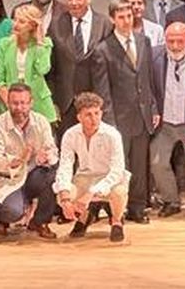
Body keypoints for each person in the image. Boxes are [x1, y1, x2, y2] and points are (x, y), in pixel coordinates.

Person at [96, 0, 157, 223]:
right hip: (118, 118)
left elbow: (148, 79)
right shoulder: (103, 49)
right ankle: (117, 210)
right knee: (120, 167)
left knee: (140, 165)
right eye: (121, 17)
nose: (126, 21)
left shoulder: (143, 41)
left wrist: (153, 107)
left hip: (142, 115)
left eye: (129, 16)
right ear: (112, 19)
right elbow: (103, 90)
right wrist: (109, 122)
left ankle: (138, 207)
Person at [0, 83, 60, 239]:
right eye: (15, 103)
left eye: (23, 103)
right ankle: (0, 219)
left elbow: (53, 151)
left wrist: (46, 157)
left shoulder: (41, 122)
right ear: (8, 103)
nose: (19, 107)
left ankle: (40, 222)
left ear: (31, 103)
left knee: (54, 174)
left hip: (33, 174)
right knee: (12, 212)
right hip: (9, 180)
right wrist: (17, 160)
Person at [56, 92, 131, 242]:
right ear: (79, 117)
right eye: (88, 115)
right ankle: (83, 217)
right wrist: (65, 199)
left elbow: (117, 170)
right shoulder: (70, 135)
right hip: (85, 177)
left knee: (120, 192)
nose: (94, 119)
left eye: (97, 113)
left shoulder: (112, 134)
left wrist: (91, 193)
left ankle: (116, 221)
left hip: (109, 177)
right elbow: (65, 166)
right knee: (62, 194)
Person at [150, 22, 185, 219]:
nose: (174, 46)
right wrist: (154, 110)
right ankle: (170, 201)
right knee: (157, 162)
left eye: (179, 41)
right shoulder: (154, 55)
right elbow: (148, 87)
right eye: (170, 41)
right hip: (164, 123)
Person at [51, 0, 112, 131]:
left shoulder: (105, 24)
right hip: (66, 103)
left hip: (97, 102)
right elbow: (51, 67)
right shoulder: (56, 24)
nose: (74, 2)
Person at [0, 3, 55, 122]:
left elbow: (43, 69)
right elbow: (0, 79)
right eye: (15, 20)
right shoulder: (5, 44)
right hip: (10, 104)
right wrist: (12, 103)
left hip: (38, 104)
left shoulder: (45, 43)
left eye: (21, 21)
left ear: (32, 25)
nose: (15, 24)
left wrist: (39, 42)